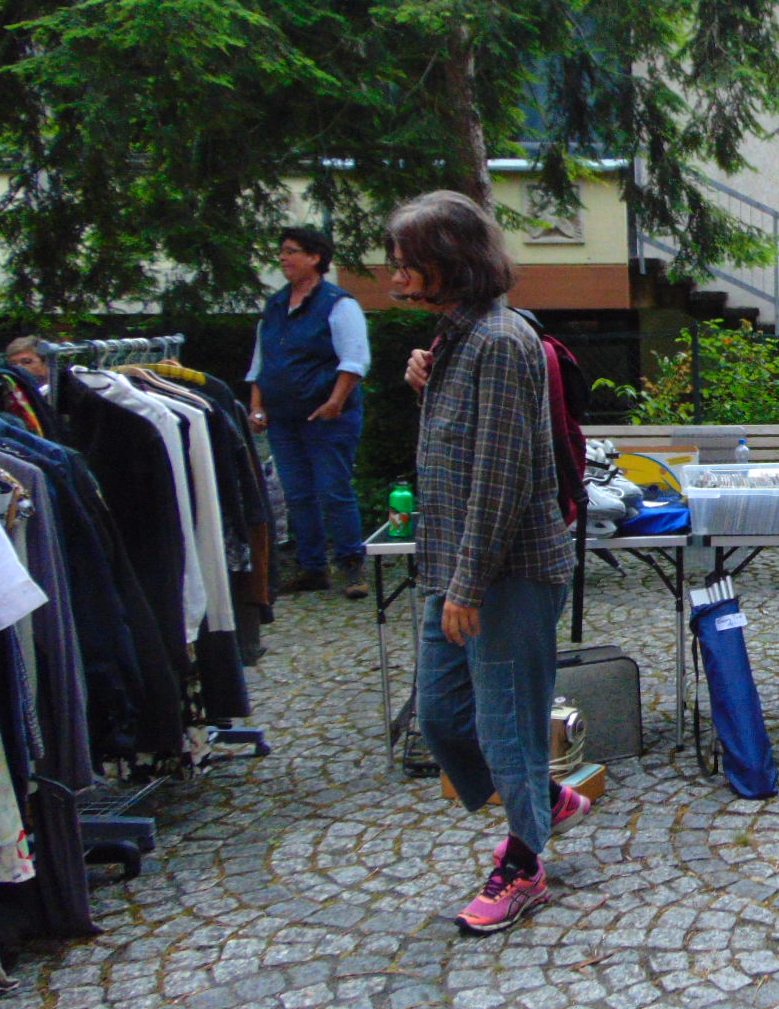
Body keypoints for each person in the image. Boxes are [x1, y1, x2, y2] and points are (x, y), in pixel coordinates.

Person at [394, 191, 581, 935]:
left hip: (508, 571)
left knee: (506, 724)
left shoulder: (501, 342)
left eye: (410, 262)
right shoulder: (456, 340)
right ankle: (546, 799)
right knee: (442, 719)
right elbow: (456, 449)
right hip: (455, 564)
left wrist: (466, 584)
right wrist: (426, 387)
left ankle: (524, 864)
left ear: (451, 263)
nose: (397, 275)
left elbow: (500, 476)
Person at [246, 226, 372, 600]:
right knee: (297, 493)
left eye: (291, 251)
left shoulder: (338, 304)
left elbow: (354, 359)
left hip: (328, 416)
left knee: (334, 490)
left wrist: (335, 401)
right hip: (284, 418)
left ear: (315, 257)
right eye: (281, 251)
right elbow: (261, 361)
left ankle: (352, 565)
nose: (283, 258)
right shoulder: (274, 306)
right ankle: (311, 566)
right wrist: (256, 405)